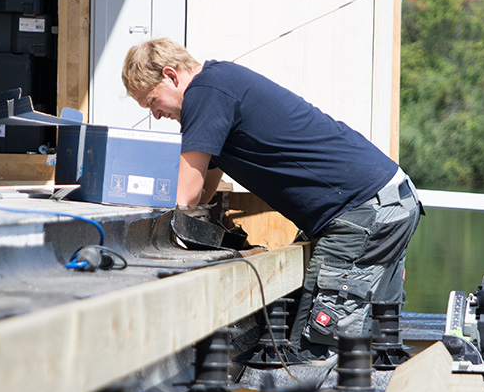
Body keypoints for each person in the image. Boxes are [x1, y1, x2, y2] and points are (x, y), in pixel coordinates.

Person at [122, 38, 422, 357]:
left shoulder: (205, 93)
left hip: (364, 210)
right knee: (361, 338)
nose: (155, 114)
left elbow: (184, 195)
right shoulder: (219, 84)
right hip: (385, 200)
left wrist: (127, 192)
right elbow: (202, 193)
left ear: (171, 75)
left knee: (315, 346)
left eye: (152, 101)